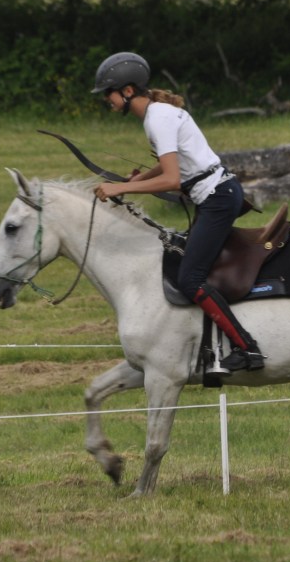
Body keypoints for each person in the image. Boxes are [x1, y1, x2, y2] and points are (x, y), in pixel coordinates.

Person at [91, 52, 265, 373]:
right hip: (217, 195)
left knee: (190, 278)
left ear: (128, 91)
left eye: (109, 93)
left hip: (217, 199)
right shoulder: (157, 115)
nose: (107, 100)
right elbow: (171, 162)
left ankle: (247, 349)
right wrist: (137, 179)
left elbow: (171, 179)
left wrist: (121, 189)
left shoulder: (158, 118)